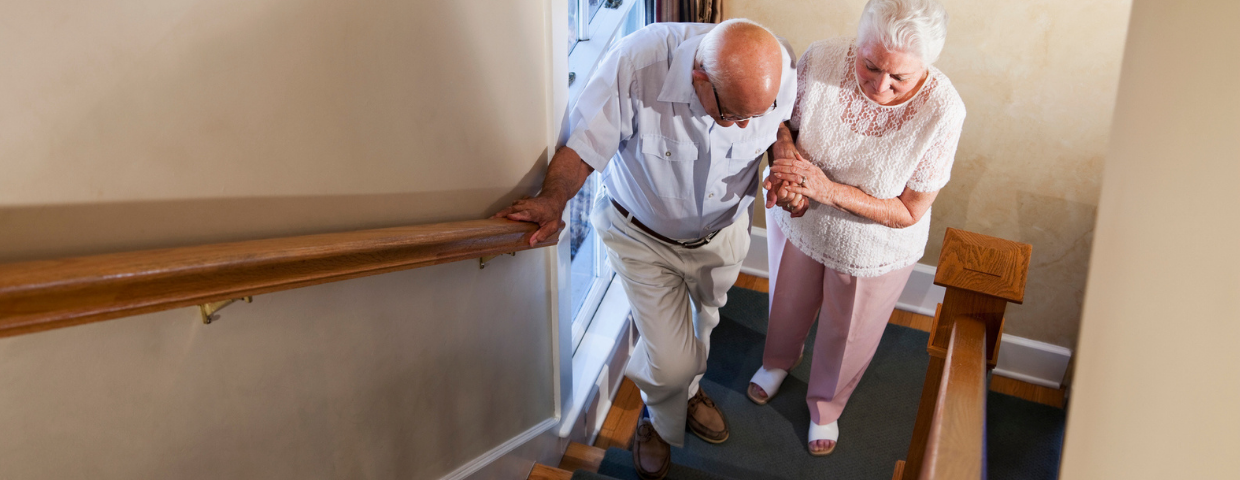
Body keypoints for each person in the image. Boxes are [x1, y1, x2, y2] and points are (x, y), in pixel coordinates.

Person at [494, 19, 796, 480]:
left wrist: (786, 163)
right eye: (733, 115)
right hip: (642, 238)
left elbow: (778, 129)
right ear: (700, 78)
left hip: (724, 233)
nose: (743, 126)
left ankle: (685, 392)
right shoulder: (639, 62)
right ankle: (656, 420)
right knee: (673, 362)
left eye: (754, 113)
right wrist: (553, 199)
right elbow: (582, 145)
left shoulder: (775, 71)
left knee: (704, 326)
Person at [749, 0, 966, 457]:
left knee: (847, 333)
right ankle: (777, 362)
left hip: (874, 244)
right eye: (870, 65)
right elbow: (780, 124)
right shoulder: (821, 58)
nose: (881, 85)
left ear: (926, 66)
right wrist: (786, 162)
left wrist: (827, 190)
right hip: (799, 218)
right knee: (787, 300)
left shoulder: (944, 111)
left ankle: (825, 406)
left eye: (899, 76)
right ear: (858, 44)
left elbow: (909, 210)